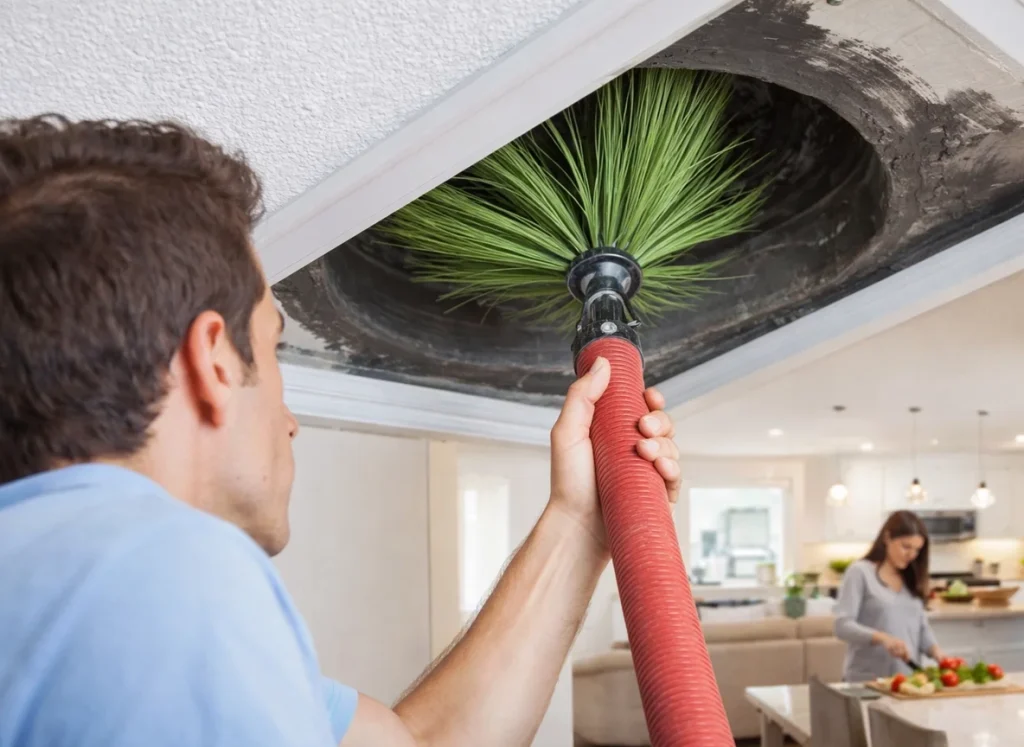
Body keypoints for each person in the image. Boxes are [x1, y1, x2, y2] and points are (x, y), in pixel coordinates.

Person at [0, 115, 683, 747]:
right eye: (271, 348)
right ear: (213, 362)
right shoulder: (162, 572)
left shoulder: (60, 587)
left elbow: (416, 743)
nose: (289, 422)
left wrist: (579, 521)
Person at [833, 510, 945, 682]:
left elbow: (921, 627)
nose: (911, 555)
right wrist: (882, 638)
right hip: (866, 681)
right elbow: (842, 626)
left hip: (907, 682)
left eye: (917, 550)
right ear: (887, 538)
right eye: (906, 546)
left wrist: (936, 652)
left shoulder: (912, 578)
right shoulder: (860, 572)